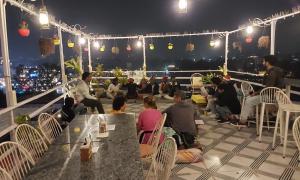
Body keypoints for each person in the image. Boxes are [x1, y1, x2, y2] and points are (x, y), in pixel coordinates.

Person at [237, 55, 284, 126]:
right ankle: (249, 117)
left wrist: (256, 93)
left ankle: (242, 121)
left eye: (263, 61)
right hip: (273, 95)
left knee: (249, 100)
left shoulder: (272, 73)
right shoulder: (274, 71)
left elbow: (268, 88)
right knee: (249, 98)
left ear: (267, 62)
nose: (262, 62)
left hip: (271, 96)